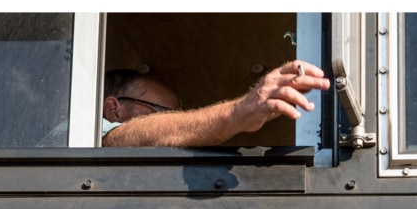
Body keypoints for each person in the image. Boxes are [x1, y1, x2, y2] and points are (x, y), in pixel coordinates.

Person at [101, 61, 330, 147]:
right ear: (113, 110)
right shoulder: (85, 135)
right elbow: (118, 139)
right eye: (159, 113)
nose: (171, 125)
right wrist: (237, 113)